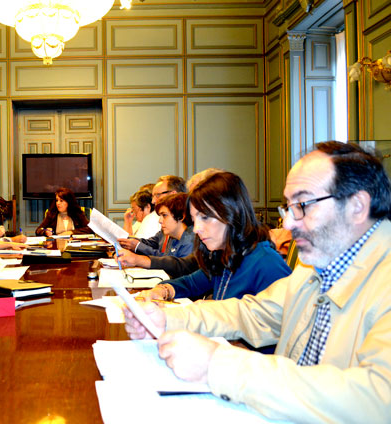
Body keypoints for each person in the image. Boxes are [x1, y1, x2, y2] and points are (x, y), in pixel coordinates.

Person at [124, 142, 391, 422]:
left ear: (357, 206)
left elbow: (377, 399)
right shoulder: (314, 269)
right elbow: (253, 312)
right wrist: (167, 319)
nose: (288, 224)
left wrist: (219, 365)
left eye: (302, 205)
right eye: (288, 207)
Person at [140, 172, 290, 301]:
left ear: (231, 213)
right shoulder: (223, 255)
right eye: (195, 219)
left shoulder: (267, 263)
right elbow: (191, 283)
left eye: (205, 217)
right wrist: (163, 290)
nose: (196, 229)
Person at [118, 193, 197, 278]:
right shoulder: (172, 235)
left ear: (181, 216)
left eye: (164, 215)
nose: (160, 221)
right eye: (160, 216)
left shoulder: (191, 241)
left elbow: (178, 271)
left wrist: (138, 259)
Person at [118, 175, 186, 255]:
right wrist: (127, 239)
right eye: (153, 196)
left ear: (173, 194)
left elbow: (169, 259)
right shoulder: (166, 226)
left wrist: (137, 250)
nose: (153, 201)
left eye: (157, 195)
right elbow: (152, 242)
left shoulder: (186, 230)